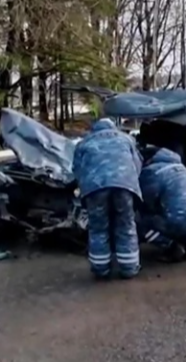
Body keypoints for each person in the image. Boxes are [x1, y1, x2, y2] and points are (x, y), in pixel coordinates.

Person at [72, 118, 143, 279]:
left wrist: (85, 186)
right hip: (124, 185)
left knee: (98, 228)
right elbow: (137, 163)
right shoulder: (126, 139)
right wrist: (130, 181)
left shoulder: (84, 143)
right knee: (126, 225)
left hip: (95, 188)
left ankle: (101, 269)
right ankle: (129, 268)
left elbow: (76, 169)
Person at [138, 147, 186, 262]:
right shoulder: (179, 167)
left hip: (181, 218)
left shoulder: (152, 171)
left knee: (141, 222)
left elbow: (145, 201)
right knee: (176, 213)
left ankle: (171, 247)